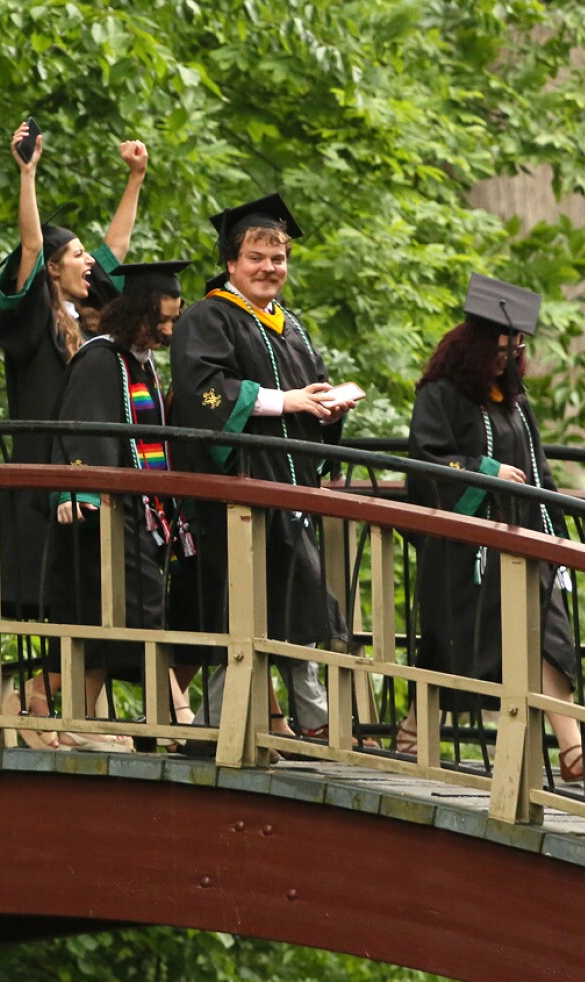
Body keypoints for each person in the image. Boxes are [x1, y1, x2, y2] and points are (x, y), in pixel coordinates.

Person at [402, 274, 585, 783]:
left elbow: (541, 473)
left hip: (523, 546)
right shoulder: (440, 396)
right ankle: (410, 734)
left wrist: (557, 534)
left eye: (513, 351)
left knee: (548, 638)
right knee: (453, 648)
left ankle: (573, 749)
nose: (506, 360)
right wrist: (484, 472)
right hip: (464, 551)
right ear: (472, 348)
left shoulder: (514, 401)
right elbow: (426, 464)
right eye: (497, 350)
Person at [168, 195, 356, 744]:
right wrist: (287, 401)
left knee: (302, 606)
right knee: (238, 613)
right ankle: (219, 729)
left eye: (278, 259)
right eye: (256, 257)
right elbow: (203, 394)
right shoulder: (207, 318)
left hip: (290, 493)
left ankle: (314, 723)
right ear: (231, 263)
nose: (269, 268)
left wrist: (325, 409)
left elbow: (305, 398)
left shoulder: (289, 325)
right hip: (237, 496)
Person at [0, 120, 149, 722]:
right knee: (67, 600)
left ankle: (74, 716)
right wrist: (27, 174)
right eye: (77, 254)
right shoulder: (33, 324)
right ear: (53, 269)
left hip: (82, 475)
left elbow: (116, 253)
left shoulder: (89, 326)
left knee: (91, 599)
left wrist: (135, 181)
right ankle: (41, 705)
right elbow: (31, 247)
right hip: (44, 481)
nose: (90, 260)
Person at [45, 260, 196, 750]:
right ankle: (178, 721)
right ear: (137, 312)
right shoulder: (100, 359)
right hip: (103, 513)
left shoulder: (141, 362)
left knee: (116, 620)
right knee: (133, 613)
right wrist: (77, 488)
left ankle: (80, 722)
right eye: (163, 320)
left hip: (141, 511)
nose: (169, 329)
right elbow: (80, 426)